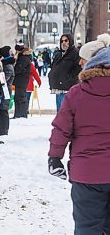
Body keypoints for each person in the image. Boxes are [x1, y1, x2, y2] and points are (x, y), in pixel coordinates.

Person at [48, 46, 110, 235]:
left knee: (87, 228)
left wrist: (55, 157)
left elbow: (61, 129)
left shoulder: (77, 93)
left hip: (87, 174)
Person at [48, 34, 82, 112]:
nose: (64, 43)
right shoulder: (58, 54)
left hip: (68, 88)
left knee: (66, 112)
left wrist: (68, 79)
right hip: (58, 87)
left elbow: (78, 69)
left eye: (66, 40)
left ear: (70, 41)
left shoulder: (75, 53)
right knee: (59, 112)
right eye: (62, 41)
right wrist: (51, 76)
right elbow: (53, 67)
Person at [0, 46, 15, 136]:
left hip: (5, 91)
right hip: (5, 91)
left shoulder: (7, 66)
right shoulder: (6, 64)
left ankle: (4, 130)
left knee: (3, 110)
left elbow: (4, 80)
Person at [13, 43, 32, 119]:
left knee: (20, 98)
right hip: (21, 81)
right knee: (18, 97)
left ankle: (21, 114)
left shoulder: (23, 58)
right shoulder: (23, 57)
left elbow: (17, 69)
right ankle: (18, 114)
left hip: (21, 81)